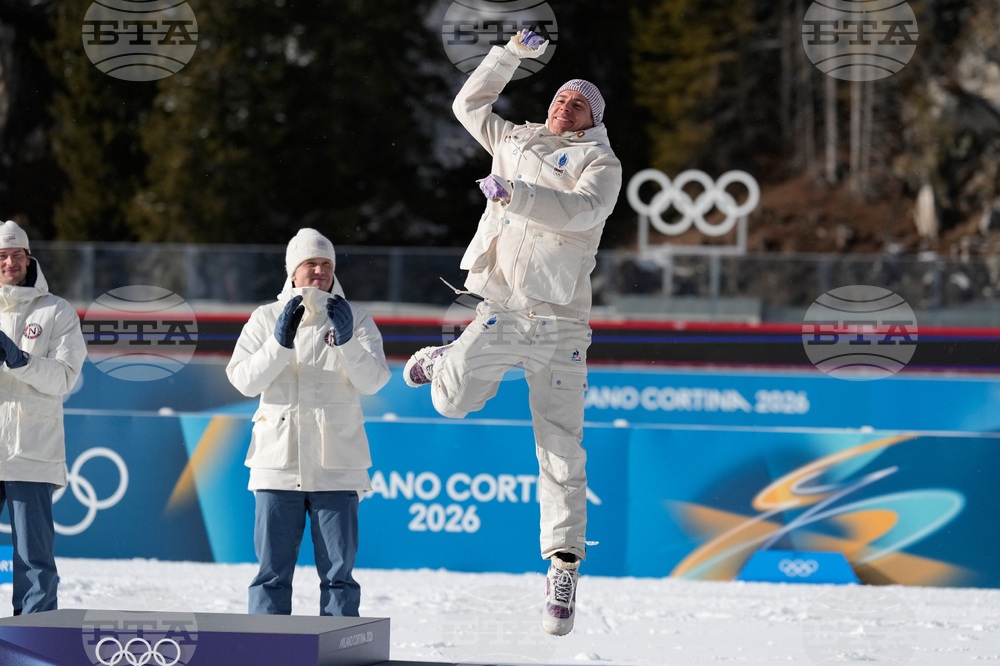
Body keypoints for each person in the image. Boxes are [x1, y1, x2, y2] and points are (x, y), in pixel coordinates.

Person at [403, 30, 622, 635]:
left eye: (577, 104)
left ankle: (563, 566)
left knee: (561, 447)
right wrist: (510, 57)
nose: (562, 106)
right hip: (502, 309)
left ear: (593, 118)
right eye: (558, 98)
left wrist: (517, 193)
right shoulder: (516, 139)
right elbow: (466, 108)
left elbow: (581, 211)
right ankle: (448, 358)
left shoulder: (601, 163)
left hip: (561, 325)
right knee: (451, 403)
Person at [226, 228, 390, 616]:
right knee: (271, 575)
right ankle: (265, 653)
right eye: (310, 264)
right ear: (293, 272)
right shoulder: (265, 318)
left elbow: (374, 380)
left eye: (326, 264)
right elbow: (244, 381)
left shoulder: (358, 318)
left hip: (338, 468)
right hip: (276, 468)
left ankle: (338, 656)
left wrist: (348, 341)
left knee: (339, 576)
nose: (319, 271)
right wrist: (278, 343)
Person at [0, 219, 87, 615]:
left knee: (34, 559)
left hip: (32, 452)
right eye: (2, 256)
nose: (9, 262)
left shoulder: (57, 311)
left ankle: (34, 644)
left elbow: (66, 377)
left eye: (16, 254)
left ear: (29, 258)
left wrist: (20, 361)